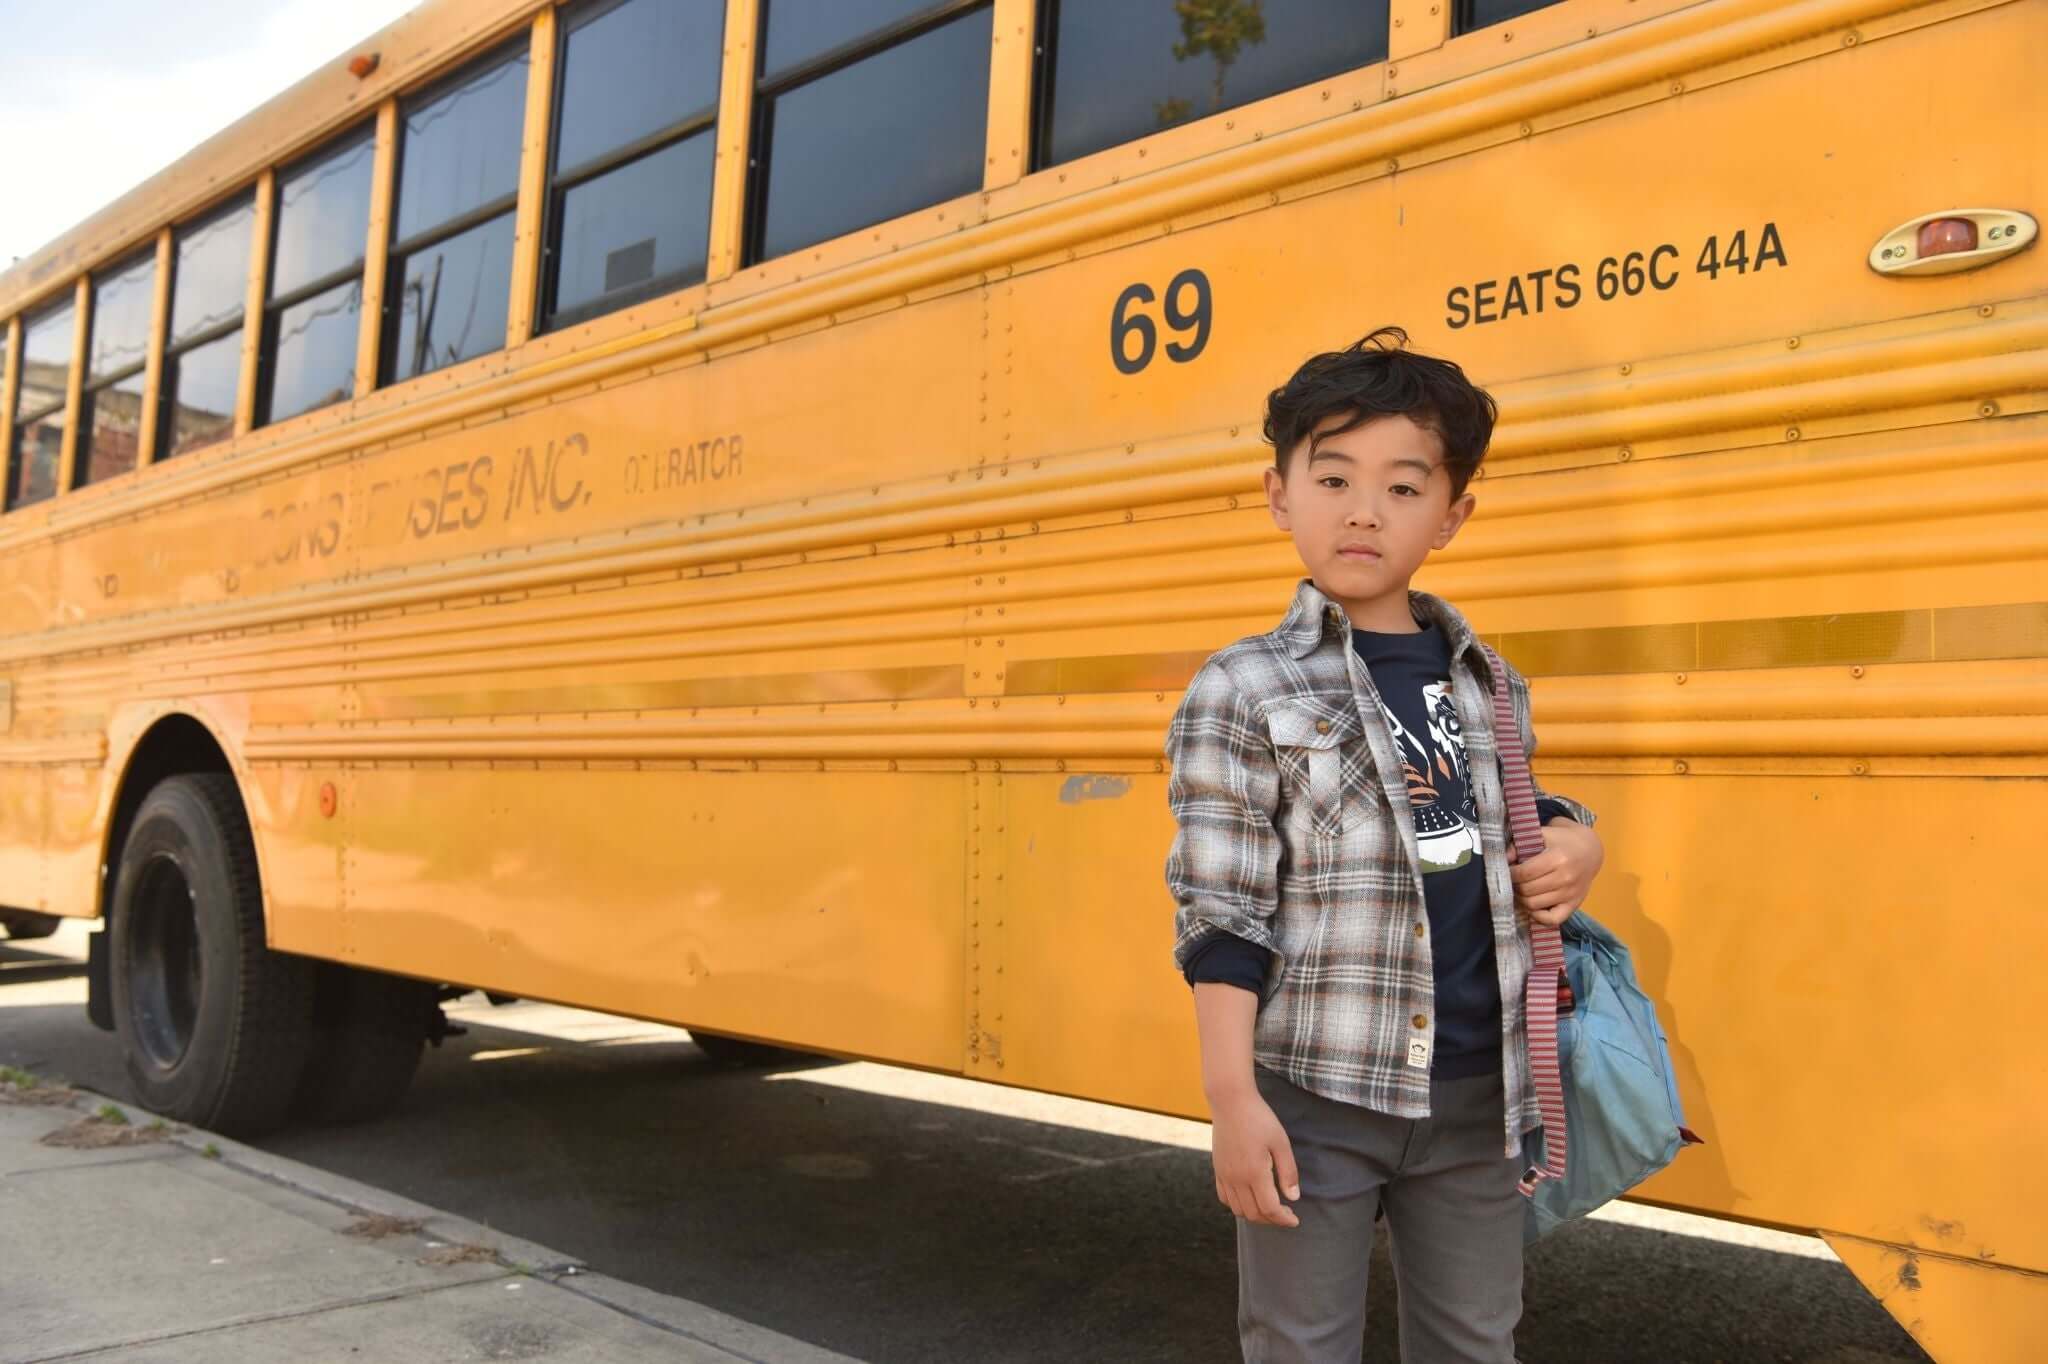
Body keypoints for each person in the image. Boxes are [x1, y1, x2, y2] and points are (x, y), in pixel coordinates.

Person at [1163, 327, 1606, 1362]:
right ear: (1278, 493)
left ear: (1450, 515)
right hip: (1317, 1090)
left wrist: (1578, 840)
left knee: (1473, 1339)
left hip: (1476, 1093)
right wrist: (1232, 1100)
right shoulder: (1244, 686)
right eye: (1331, 477)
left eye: (1403, 488)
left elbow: (1506, 822)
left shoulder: (1486, 680)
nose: (1362, 510)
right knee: (1299, 1340)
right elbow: (1221, 913)